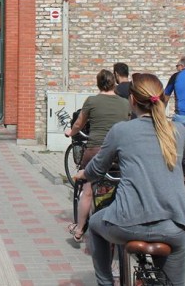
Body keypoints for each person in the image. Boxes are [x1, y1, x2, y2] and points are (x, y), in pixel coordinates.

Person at [76, 73, 185, 286]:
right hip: (174, 227)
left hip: (126, 223)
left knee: (94, 224)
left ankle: (105, 282)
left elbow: (98, 167)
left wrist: (83, 174)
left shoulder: (121, 130)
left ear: (132, 100)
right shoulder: (178, 131)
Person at [64, 69, 130, 242]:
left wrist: (71, 132)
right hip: (119, 153)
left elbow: (79, 123)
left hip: (96, 150)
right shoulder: (125, 103)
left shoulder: (92, 101)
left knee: (87, 189)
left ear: (98, 83)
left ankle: (79, 229)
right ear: (114, 83)